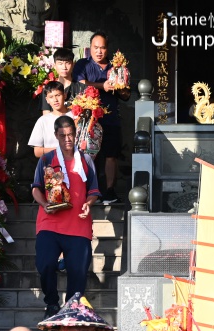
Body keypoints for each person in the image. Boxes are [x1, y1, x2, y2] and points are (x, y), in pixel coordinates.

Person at [32, 115, 100, 318]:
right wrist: (45, 205)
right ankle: (52, 304)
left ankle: (72, 308)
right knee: (45, 264)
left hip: (78, 224)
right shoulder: (46, 159)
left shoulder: (85, 159)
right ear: (56, 136)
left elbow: (94, 191)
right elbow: (36, 189)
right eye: (63, 136)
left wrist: (88, 204)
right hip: (49, 223)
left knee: (78, 271)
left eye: (70, 134)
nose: (67, 139)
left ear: (76, 134)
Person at [72, 31, 131, 204]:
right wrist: (102, 86)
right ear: (90, 48)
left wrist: (121, 86)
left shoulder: (116, 67)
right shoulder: (83, 64)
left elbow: (126, 96)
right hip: (89, 119)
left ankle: (110, 191)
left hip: (111, 117)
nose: (99, 51)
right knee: (87, 155)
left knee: (111, 155)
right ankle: (88, 190)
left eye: (102, 48)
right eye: (95, 48)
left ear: (107, 49)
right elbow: (80, 85)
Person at [29, 81, 70, 158]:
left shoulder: (75, 116)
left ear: (64, 95)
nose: (55, 100)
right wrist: (59, 150)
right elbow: (37, 151)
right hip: (52, 165)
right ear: (47, 100)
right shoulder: (43, 120)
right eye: (51, 97)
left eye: (58, 95)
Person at [40, 48, 85, 116]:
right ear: (54, 66)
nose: (64, 67)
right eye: (60, 63)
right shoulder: (47, 90)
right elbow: (46, 116)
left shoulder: (82, 88)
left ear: (73, 65)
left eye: (67, 63)